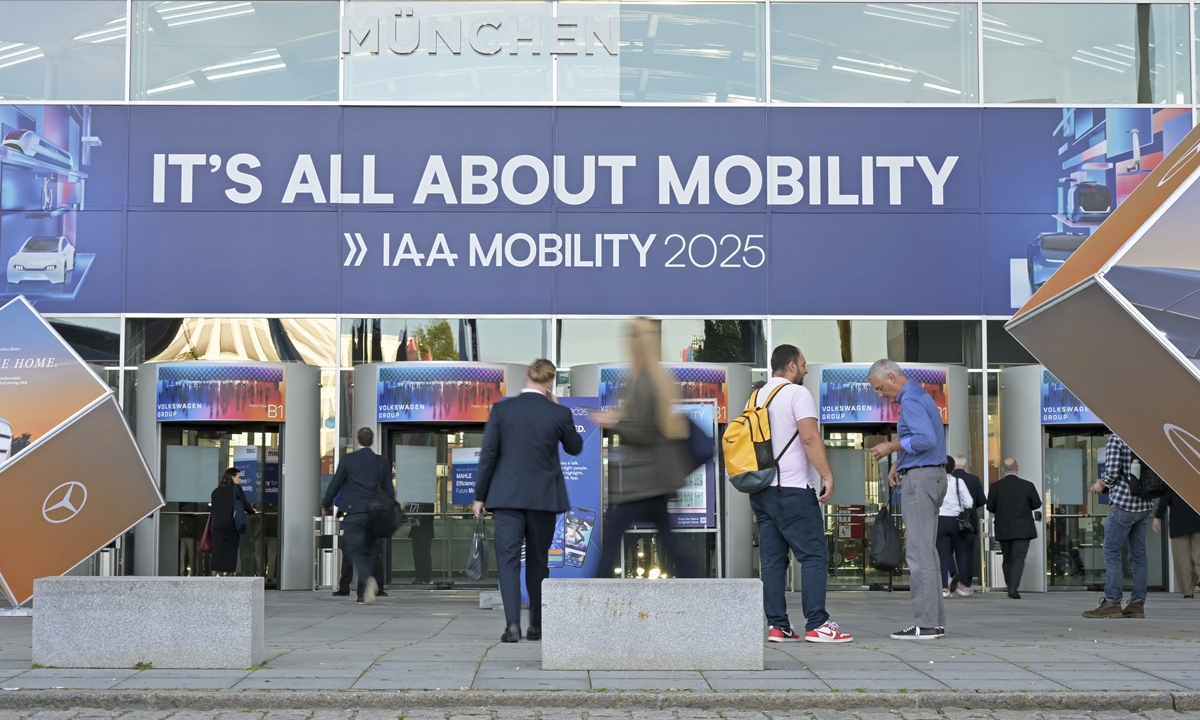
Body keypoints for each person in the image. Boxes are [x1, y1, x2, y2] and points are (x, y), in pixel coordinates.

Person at [741, 344, 852, 644]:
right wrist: (827, 475)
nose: (805, 369)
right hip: (793, 490)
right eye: (803, 364)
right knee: (814, 555)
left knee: (774, 561)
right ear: (790, 366)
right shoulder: (797, 393)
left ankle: (778, 626)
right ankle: (817, 624)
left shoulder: (756, 396)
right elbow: (809, 436)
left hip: (761, 491)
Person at [473, 359, 583, 643]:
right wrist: (559, 407)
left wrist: (479, 497)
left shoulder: (502, 410)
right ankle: (536, 625)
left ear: (526, 378)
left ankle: (512, 626)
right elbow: (575, 447)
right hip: (543, 499)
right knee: (538, 560)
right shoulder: (557, 412)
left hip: (507, 498)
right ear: (550, 382)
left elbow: (488, 456)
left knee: (508, 560)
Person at [594, 318, 703, 585]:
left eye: (632, 336)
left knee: (610, 546)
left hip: (641, 482)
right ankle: (696, 578)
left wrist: (614, 422)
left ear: (638, 343)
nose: (627, 342)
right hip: (654, 480)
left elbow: (643, 430)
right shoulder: (656, 378)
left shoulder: (642, 381)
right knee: (669, 542)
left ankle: (595, 597)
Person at [868, 359, 946, 640]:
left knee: (919, 553)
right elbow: (924, 439)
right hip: (931, 476)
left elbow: (924, 439)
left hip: (922, 479)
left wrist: (891, 446)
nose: (881, 394)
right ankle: (934, 622)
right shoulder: (920, 395)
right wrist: (898, 463)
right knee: (928, 552)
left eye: (880, 388)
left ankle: (925, 625)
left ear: (891, 376)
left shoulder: (910, 399)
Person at [1084, 434, 1153, 619]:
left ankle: (1112, 602)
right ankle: (1138, 604)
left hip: (1124, 504)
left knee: (1111, 551)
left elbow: (1112, 473)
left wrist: (1100, 483)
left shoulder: (1117, 438)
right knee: (1139, 555)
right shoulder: (1144, 437)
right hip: (1143, 505)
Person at [322, 427, 392, 605]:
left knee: (354, 550)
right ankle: (362, 595)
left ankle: (368, 581)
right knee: (369, 552)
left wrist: (326, 505)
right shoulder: (382, 461)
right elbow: (389, 491)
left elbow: (334, 484)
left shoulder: (349, 459)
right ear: (372, 441)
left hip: (354, 512)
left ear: (358, 441)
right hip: (374, 514)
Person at [986, 458, 1041, 599]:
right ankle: (1013, 587)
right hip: (1023, 528)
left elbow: (990, 507)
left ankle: (1010, 584)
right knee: (1018, 558)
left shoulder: (995, 486)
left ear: (1003, 469)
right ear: (1017, 468)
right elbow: (1037, 504)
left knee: (1007, 558)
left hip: (1003, 527)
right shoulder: (1027, 485)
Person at [937, 457, 975, 599]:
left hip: (940, 519)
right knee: (961, 553)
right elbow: (969, 502)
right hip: (956, 521)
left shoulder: (936, 482)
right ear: (953, 468)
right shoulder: (959, 482)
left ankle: (944, 589)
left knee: (942, 554)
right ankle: (964, 586)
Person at [1154, 486, 1200, 598]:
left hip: (1179, 522)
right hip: (1198, 520)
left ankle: (1188, 591)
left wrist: (1157, 517)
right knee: (1198, 555)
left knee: (1182, 559)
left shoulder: (1173, 478)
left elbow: (1164, 499)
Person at [209, 468, 256, 576]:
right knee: (231, 551)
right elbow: (245, 505)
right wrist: (252, 511)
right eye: (238, 477)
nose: (240, 480)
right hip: (231, 525)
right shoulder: (236, 488)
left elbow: (214, 509)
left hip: (217, 526)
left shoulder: (215, 492)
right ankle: (229, 576)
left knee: (217, 551)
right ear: (232, 477)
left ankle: (213, 575)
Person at [950, 454, 986, 592]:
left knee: (948, 550)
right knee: (967, 553)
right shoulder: (974, 479)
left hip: (951, 519)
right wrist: (970, 508)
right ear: (965, 465)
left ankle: (951, 576)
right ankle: (966, 583)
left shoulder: (949, 479)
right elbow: (982, 500)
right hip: (968, 522)